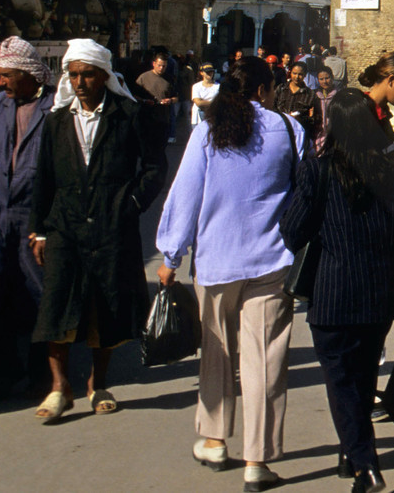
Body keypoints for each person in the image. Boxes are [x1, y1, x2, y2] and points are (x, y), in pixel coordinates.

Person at [156, 58, 303, 492]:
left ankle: (215, 439)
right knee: (266, 362)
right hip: (272, 261)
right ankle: (258, 460)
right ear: (262, 90)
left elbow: (186, 193)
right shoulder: (287, 129)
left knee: (217, 353)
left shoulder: (207, 130)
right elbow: (303, 190)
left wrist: (170, 254)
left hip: (217, 261)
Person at [280, 82, 394, 492]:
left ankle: (365, 464)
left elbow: (293, 231)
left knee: (342, 382)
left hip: (334, 294)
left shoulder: (319, 170)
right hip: (378, 295)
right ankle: (352, 456)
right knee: (360, 379)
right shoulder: (392, 172)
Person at [29, 39, 167, 422]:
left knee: (104, 305)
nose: (79, 82)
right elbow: (44, 177)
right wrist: (38, 230)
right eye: (73, 75)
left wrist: (133, 203)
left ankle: (97, 383)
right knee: (56, 302)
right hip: (64, 226)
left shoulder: (128, 114)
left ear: (104, 75)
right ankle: (59, 387)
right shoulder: (57, 120)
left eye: (87, 74)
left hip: (111, 227)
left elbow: (155, 167)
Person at [0, 37, 55, 402]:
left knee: (38, 297)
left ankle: (39, 375)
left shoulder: (53, 110)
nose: (1, 82)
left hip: (32, 217)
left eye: (6, 76)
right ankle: (4, 372)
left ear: (27, 74)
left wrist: (47, 227)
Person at [136, 48, 178, 145]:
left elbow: (176, 97)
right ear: (154, 64)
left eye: (164, 66)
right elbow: (134, 96)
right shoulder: (143, 77)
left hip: (163, 120)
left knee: (160, 149)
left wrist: (170, 100)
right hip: (146, 119)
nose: (161, 68)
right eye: (159, 65)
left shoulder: (169, 79)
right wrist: (144, 101)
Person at [271, 61, 319, 139]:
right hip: (279, 130)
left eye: (300, 74)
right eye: (294, 73)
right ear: (290, 73)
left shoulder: (310, 94)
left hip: (298, 134)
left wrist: (300, 119)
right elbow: (272, 107)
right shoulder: (281, 89)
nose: (296, 77)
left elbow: (315, 118)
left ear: (305, 75)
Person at [314, 66, 339, 151]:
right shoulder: (315, 95)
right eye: (321, 79)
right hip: (319, 134)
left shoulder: (339, 95)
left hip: (335, 134)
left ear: (332, 77)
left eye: (327, 78)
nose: (325, 81)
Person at [190, 62, 219, 128]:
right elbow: (198, 103)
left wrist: (204, 102)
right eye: (207, 72)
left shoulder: (218, 86)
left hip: (213, 118)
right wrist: (214, 102)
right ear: (201, 73)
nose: (210, 74)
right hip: (197, 119)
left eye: (211, 71)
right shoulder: (196, 86)